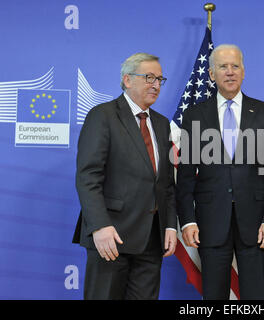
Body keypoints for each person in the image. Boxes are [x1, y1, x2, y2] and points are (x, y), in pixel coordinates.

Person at [176, 44, 264, 300]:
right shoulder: (194, 115)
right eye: (223, 67)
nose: (230, 72)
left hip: (256, 223)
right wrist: (189, 220)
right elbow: (185, 175)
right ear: (212, 74)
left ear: (244, 72)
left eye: (235, 66)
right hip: (210, 221)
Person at [72, 53, 177, 300]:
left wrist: (170, 224)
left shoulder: (162, 124)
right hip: (111, 236)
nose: (156, 85)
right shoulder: (103, 115)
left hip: (152, 240)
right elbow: (88, 176)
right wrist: (99, 225)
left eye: (160, 79)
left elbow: (166, 183)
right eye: (149, 77)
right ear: (127, 80)